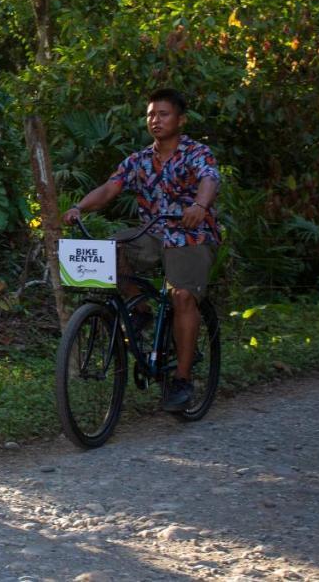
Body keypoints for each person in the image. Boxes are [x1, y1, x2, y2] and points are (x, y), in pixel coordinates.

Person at [61, 88, 220, 412]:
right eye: (151, 114)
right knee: (112, 251)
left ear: (180, 119)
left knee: (182, 297)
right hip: (152, 234)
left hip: (189, 235)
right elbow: (110, 188)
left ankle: (181, 379)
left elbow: (209, 179)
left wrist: (200, 205)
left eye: (163, 114)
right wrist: (79, 207)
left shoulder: (196, 153)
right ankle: (141, 310)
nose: (155, 120)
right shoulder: (139, 160)